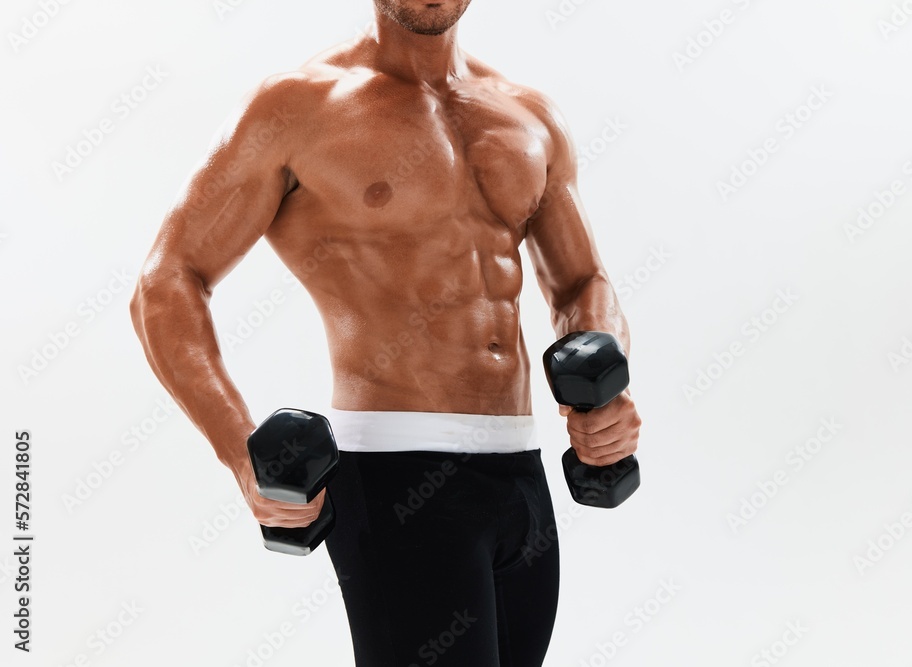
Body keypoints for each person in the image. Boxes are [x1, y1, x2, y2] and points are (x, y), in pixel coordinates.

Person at [129, 1, 641, 664]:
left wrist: (602, 396)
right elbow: (167, 279)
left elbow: (581, 284)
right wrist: (238, 453)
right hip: (396, 476)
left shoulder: (528, 114)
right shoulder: (298, 108)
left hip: (520, 475)